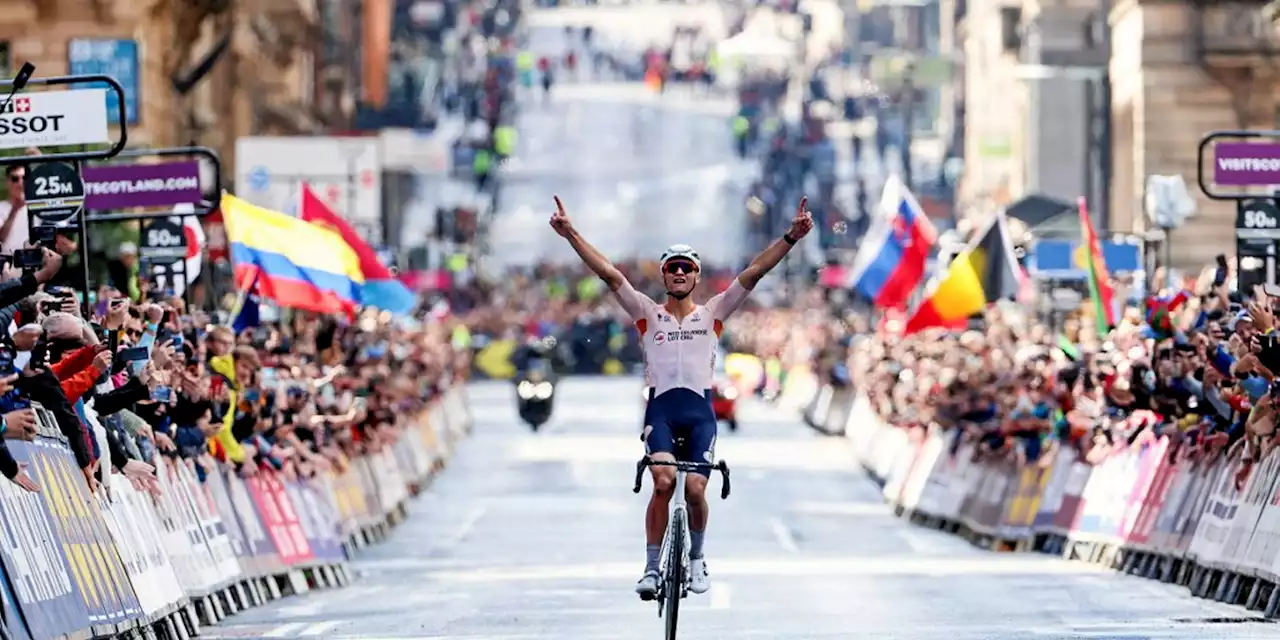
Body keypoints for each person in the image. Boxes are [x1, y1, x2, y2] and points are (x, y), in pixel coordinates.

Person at [549, 194, 814, 599]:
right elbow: (609, 275)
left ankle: (697, 559)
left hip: (699, 414)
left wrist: (790, 238)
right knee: (662, 481)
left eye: (685, 268)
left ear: (695, 276)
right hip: (662, 410)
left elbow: (755, 272)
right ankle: (652, 568)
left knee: (693, 489)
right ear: (663, 276)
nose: (677, 273)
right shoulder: (646, 313)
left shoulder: (712, 313)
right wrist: (571, 235)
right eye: (671, 268)